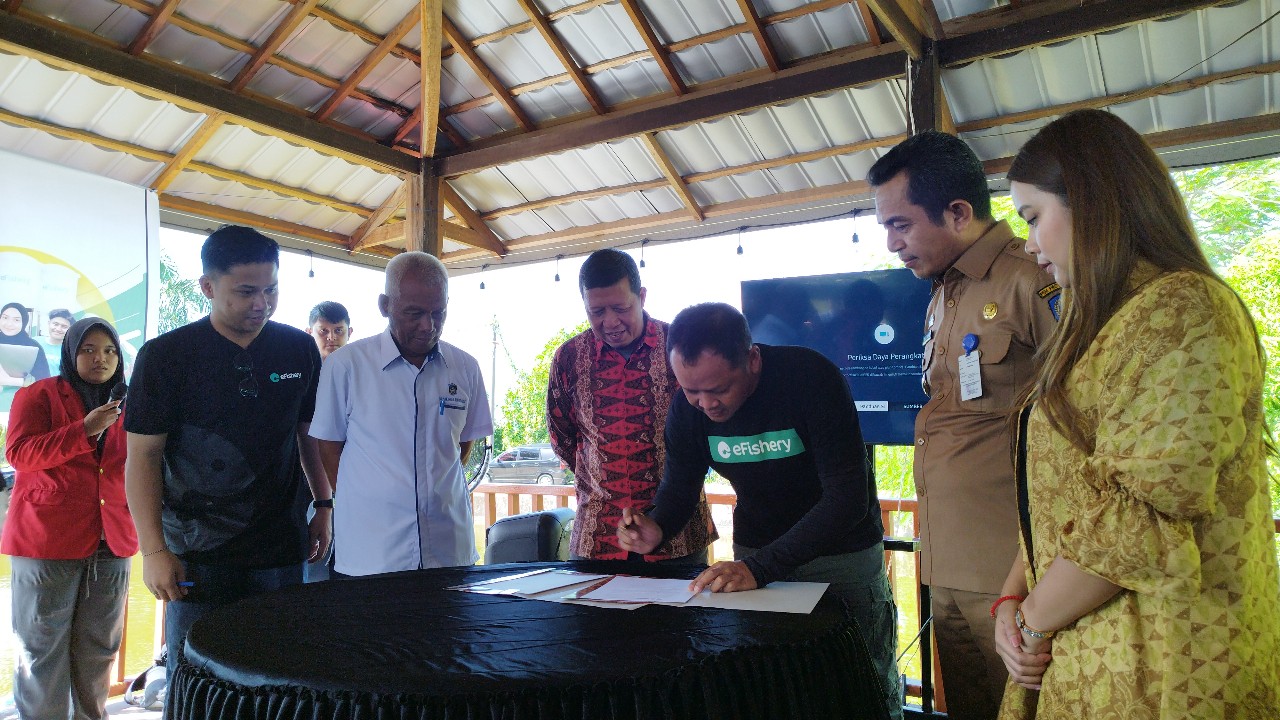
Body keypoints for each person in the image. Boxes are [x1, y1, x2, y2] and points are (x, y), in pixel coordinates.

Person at [993, 109, 1280, 719]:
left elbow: (1142, 511)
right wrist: (1011, 601)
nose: (1028, 243)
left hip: (1163, 665)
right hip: (1084, 651)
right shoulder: (1098, 326)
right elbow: (1064, 497)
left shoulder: (1184, 310)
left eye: (1033, 217)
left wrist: (1033, 619)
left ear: (1093, 204)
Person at [618, 302, 901, 720]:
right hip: (757, 553)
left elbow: (847, 499)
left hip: (841, 555)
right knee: (771, 681)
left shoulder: (808, 377)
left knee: (860, 677)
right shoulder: (688, 411)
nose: (706, 405)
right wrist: (656, 527)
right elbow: (678, 490)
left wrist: (760, 567)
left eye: (718, 390)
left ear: (751, 359)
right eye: (691, 391)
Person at [866, 131, 1061, 720]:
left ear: (958, 211)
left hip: (1012, 572)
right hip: (947, 564)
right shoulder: (941, 292)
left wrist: (1031, 583)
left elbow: (1083, 423)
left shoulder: (1032, 278)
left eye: (901, 225)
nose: (894, 244)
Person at [124, 225, 332, 678]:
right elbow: (142, 457)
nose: (261, 303)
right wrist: (154, 550)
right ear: (207, 287)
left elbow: (308, 434)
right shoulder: (166, 356)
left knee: (279, 675)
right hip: (198, 552)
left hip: (281, 542)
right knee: (199, 675)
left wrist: (324, 504)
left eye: (271, 289)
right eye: (245, 291)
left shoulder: (298, 348)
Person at [310, 252, 491, 577]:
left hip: (449, 552)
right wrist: (369, 499)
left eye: (439, 312)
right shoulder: (346, 367)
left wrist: (429, 489)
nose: (428, 325)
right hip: (371, 555)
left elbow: (463, 445)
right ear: (384, 305)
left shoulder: (465, 368)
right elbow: (328, 448)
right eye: (414, 313)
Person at [2, 317, 136, 720]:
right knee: (41, 650)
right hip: (46, 541)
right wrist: (84, 430)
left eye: (110, 350)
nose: (101, 359)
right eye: (89, 350)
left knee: (100, 649)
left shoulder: (130, 402)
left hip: (113, 540)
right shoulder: (38, 395)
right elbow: (20, 454)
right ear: (70, 352)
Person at [546, 248, 716, 561]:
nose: (610, 322)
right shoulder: (569, 358)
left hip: (679, 537)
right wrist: (602, 474)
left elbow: (710, 423)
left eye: (621, 308)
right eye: (596, 311)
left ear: (642, 297)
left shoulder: (679, 346)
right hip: (598, 537)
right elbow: (562, 438)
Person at [299, 300, 351, 582]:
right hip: (310, 487)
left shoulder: (361, 376)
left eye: (338, 331)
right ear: (309, 332)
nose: (331, 338)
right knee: (314, 566)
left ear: (349, 332)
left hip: (350, 486)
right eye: (324, 331)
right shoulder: (303, 378)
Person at [1, 302, 52, 410]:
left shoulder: (33, 346)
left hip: (22, 404)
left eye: (16, 320)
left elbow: (44, 382)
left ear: (24, 322)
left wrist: (14, 381)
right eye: (5, 318)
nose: (9, 324)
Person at [37, 308, 74, 375]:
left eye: (64, 326)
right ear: (49, 323)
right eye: (55, 324)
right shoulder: (35, 342)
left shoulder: (71, 351)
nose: (58, 329)